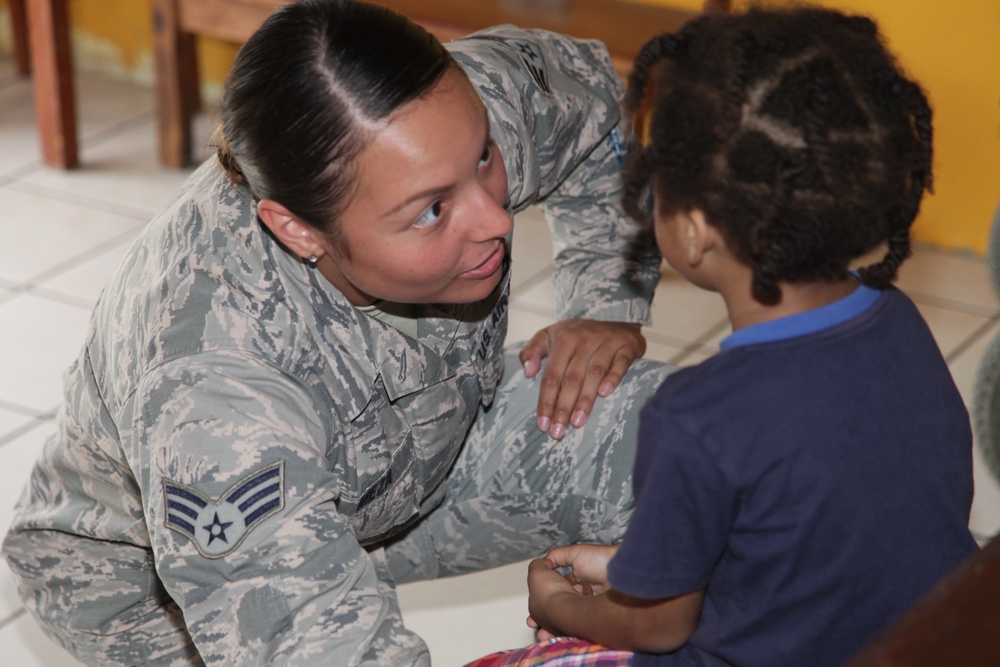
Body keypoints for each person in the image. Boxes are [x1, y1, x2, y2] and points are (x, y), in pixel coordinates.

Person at [1, 1, 670, 665]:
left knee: (682, 439)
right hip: (164, 584)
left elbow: (592, 101)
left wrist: (609, 295)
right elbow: (316, 642)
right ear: (297, 230)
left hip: (406, 461)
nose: (494, 217)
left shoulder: (436, 119)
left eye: (486, 159)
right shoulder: (211, 387)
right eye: (433, 210)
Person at [467, 6, 980, 667]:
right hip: (924, 640)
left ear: (694, 227)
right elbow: (841, 529)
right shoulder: (899, 317)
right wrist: (641, 567)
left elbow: (655, 628)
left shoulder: (698, 416)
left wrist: (557, 603)